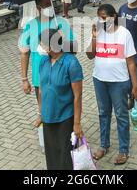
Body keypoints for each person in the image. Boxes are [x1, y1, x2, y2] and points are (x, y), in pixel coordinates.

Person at [86, 4, 137, 165]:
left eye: (104, 17)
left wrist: (135, 85)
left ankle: (123, 150)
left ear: (114, 16)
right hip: (100, 80)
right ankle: (104, 145)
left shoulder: (124, 33)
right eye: (99, 17)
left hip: (119, 82)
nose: (102, 20)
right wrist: (94, 36)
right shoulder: (98, 32)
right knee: (103, 113)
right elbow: (90, 55)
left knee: (121, 115)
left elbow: (131, 62)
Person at [19, 0, 74, 128]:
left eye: (51, 4)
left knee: (63, 98)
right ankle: (41, 115)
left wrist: (64, 39)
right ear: (38, 7)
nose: (50, 7)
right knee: (41, 98)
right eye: (45, 5)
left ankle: (66, 123)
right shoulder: (31, 25)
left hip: (62, 71)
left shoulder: (61, 23)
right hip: (40, 71)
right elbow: (24, 53)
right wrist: (24, 79)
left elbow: (74, 51)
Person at [39, 29, 83, 170]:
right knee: (51, 155)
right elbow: (41, 88)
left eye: (42, 43)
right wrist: (40, 113)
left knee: (65, 157)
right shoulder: (43, 61)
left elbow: (78, 96)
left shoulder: (71, 63)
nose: (40, 46)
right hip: (47, 117)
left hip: (65, 117)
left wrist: (77, 123)